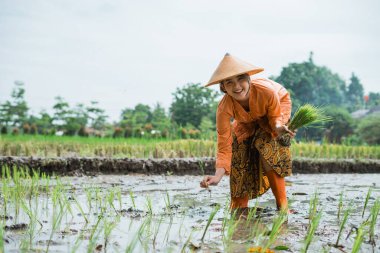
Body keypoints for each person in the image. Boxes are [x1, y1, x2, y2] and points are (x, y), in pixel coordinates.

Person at [200, 53, 295, 211]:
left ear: (249, 79)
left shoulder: (267, 92)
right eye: (229, 82)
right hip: (248, 118)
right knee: (239, 149)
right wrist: (217, 176)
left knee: (266, 144)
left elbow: (275, 118)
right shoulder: (224, 107)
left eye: (241, 79)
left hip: (278, 105)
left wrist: (278, 128)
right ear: (223, 87)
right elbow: (225, 143)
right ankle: (238, 208)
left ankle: (282, 205)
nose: (237, 86)